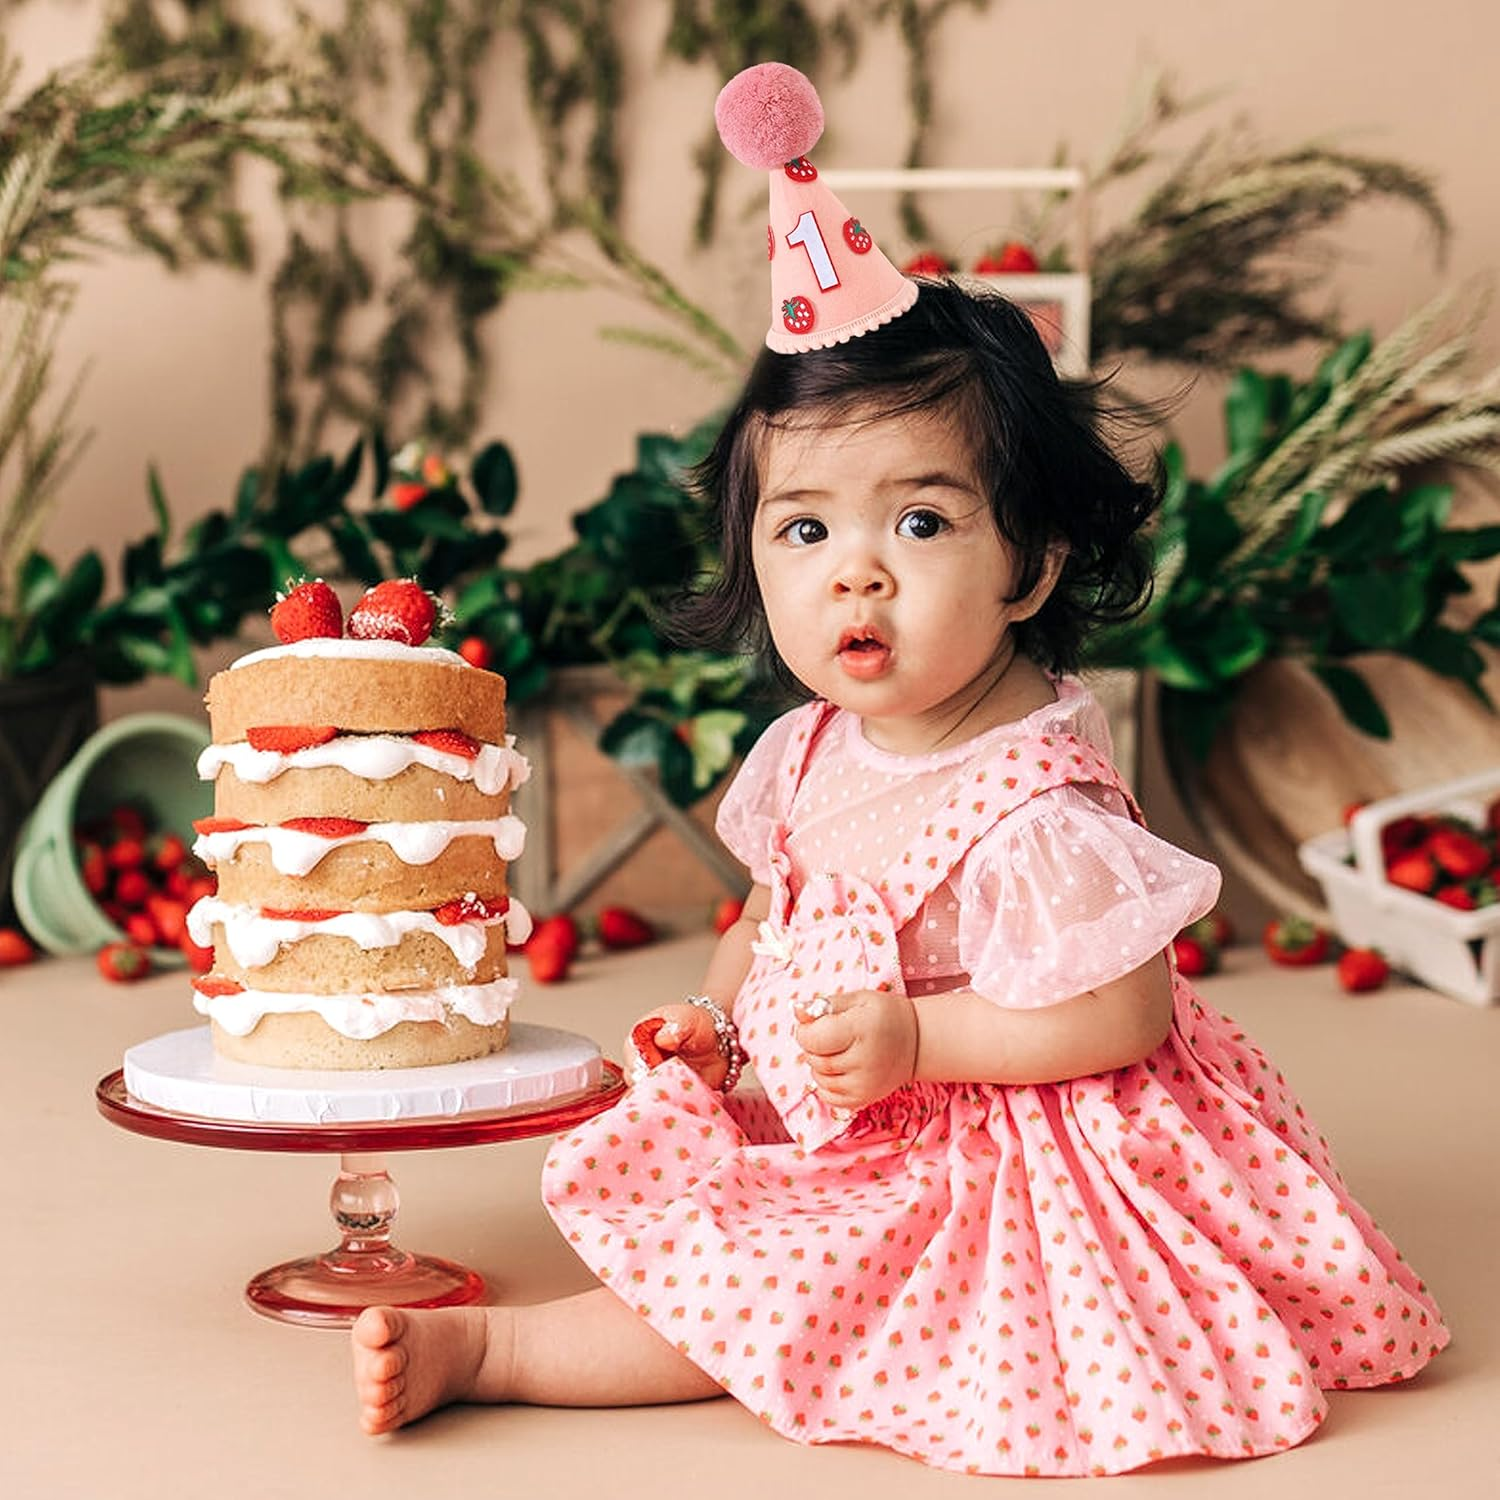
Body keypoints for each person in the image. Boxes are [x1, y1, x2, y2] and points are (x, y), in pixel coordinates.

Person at [350, 65, 1447, 1476]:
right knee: (709, 1228)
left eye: (920, 521)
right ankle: (507, 1338)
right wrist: (718, 1025)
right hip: (830, 1096)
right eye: (803, 531)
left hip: (987, 1134)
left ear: (1031, 562)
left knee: (786, 1285)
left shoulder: (1032, 800)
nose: (854, 570)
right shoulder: (806, 747)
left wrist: (926, 1046)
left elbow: (1124, 1014)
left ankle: (494, 1353)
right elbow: (770, 915)